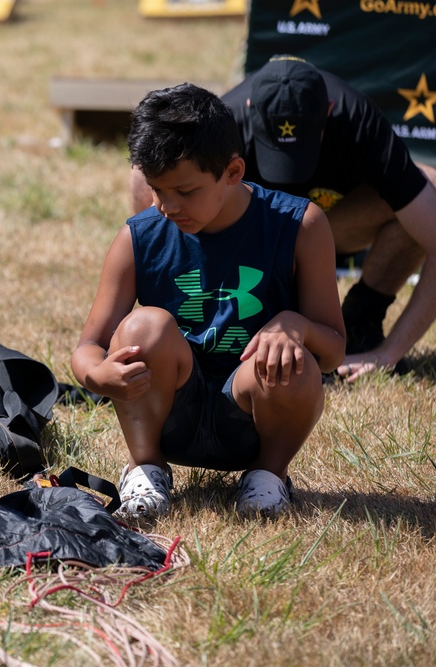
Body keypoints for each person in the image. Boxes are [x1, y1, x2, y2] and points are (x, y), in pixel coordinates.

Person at [73, 83, 345, 519]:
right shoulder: (137, 237)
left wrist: (298, 325)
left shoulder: (300, 226)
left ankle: (267, 476)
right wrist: (97, 375)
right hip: (167, 419)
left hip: (256, 420)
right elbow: (89, 346)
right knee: (145, 327)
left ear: (233, 172)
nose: (167, 206)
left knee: (292, 357)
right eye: (157, 190)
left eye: (186, 190)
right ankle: (146, 470)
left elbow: (332, 354)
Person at [128, 55, 436, 383]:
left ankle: (362, 321)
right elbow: (148, 181)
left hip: (330, 225)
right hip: (249, 238)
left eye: (300, 151)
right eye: (273, 148)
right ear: (247, 108)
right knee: (146, 176)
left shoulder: (360, 121)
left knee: (428, 186)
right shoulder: (222, 125)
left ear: (330, 112)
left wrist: (388, 354)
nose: (288, 178)